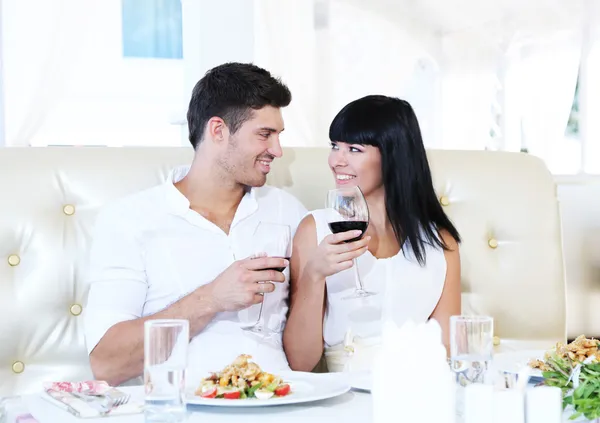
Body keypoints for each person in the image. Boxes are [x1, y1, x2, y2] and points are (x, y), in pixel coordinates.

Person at [84, 62, 307, 386]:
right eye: (264, 134)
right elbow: (107, 365)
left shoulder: (288, 212)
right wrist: (211, 298)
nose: (277, 150)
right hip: (183, 409)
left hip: (280, 404)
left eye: (278, 135)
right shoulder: (129, 220)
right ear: (217, 131)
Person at [283, 95, 461, 372]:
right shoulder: (315, 230)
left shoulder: (440, 242)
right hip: (345, 395)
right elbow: (300, 362)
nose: (336, 160)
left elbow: (447, 349)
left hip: (418, 390)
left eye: (354, 149)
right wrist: (313, 276)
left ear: (393, 155)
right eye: (334, 146)